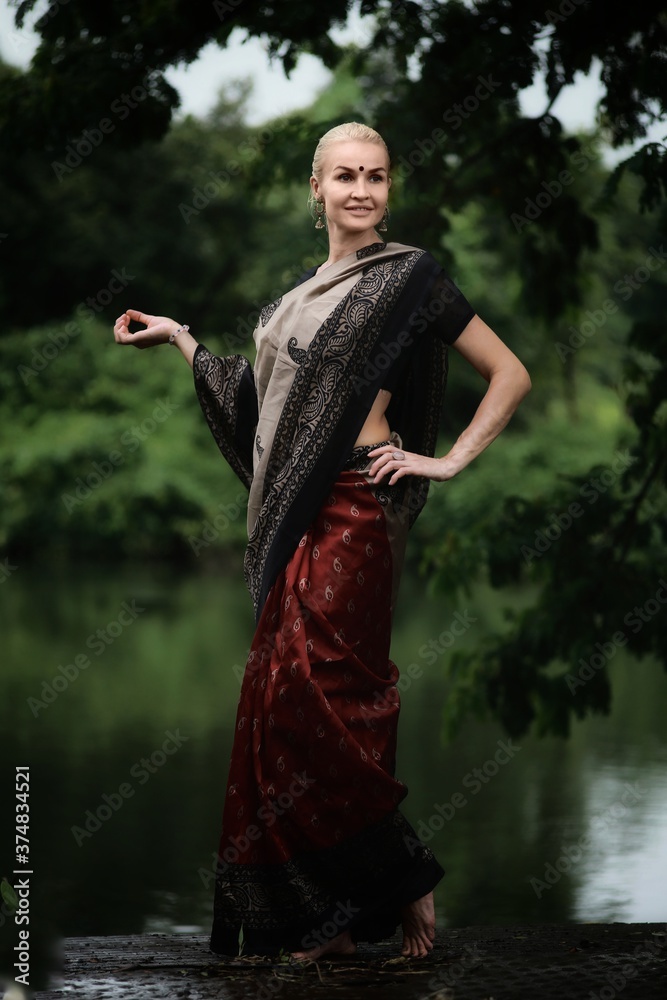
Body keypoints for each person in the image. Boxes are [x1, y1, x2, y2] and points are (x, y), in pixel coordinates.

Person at [113, 121, 530, 962]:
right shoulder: (296, 300)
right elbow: (255, 408)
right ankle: (324, 918)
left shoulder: (408, 278)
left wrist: (444, 461)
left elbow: (509, 372)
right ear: (316, 188)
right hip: (296, 517)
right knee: (279, 710)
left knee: (325, 697)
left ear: (388, 188)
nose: (361, 190)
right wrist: (183, 339)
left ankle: (403, 875)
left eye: (376, 176)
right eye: (344, 175)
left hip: (357, 506)